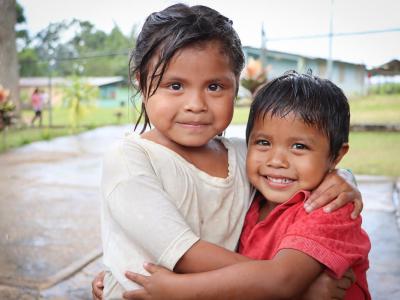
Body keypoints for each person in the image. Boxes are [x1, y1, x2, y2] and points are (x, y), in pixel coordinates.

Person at [94, 4, 363, 299]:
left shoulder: (243, 155)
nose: (195, 103)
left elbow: (300, 166)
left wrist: (341, 177)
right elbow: (185, 254)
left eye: (214, 86)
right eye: (175, 85)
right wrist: (293, 287)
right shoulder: (130, 159)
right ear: (142, 84)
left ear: (236, 88)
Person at [124, 71, 371, 300]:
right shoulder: (251, 196)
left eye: (299, 146)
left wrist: (177, 290)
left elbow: (282, 280)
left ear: (337, 155)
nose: (276, 161)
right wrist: (119, 272)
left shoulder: (329, 211)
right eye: (263, 142)